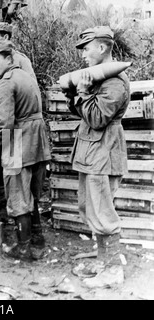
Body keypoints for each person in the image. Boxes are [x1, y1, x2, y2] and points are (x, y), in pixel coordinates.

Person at [63, 26, 130, 288]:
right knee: (90, 208)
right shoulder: (100, 79)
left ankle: (113, 269)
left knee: (103, 213)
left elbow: (98, 118)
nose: (82, 55)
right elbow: (82, 112)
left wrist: (82, 93)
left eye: (86, 48)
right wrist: (74, 94)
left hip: (104, 153)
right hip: (92, 153)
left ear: (102, 48)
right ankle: (104, 261)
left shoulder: (115, 82)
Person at [0, 41, 51, 262]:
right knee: (32, 193)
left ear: (9, 59)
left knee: (18, 196)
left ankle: (23, 248)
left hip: (18, 141)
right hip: (37, 141)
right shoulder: (26, 76)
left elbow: (4, 124)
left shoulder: (5, 83)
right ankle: (38, 240)